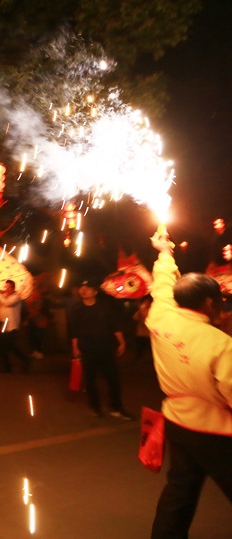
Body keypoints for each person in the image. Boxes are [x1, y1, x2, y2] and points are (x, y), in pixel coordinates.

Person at [146, 228, 232, 537]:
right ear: (209, 302)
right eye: (220, 300)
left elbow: (162, 285)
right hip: (216, 432)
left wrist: (164, 253)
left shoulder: (160, 316)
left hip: (177, 423)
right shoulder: (220, 344)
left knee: (179, 491)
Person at [68, 279, 132, 419]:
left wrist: (121, 342)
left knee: (113, 378)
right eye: (82, 288)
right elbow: (74, 330)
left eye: (88, 288)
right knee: (90, 379)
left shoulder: (104, 307)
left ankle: (116, 408)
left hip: (106, 347)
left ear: (95, 292)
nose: (84, 291)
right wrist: (75, 347)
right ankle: (95, 406)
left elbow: (114, 326)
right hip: (87, 348)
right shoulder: (76, 309)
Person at [0, 280, 30, 373]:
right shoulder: (4, 296)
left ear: (13, 288)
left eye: (8, 287)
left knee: (8, 345)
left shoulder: (16, 297)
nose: (6, 289)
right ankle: (9, 366)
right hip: (2, 324)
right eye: (6, 287)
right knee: (4, 345)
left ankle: (24, 360)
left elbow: (7, 303)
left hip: (10, 325)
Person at [132, 295, 152, 361]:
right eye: (145, 301)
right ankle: (139, 360)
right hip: (141, 333)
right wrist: (140, 311)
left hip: (149, 334)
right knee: (140, 349)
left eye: (147, 301)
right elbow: (135, 318)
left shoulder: (152, 310)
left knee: (149, 349)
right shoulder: (141, 310)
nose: (146, 303)